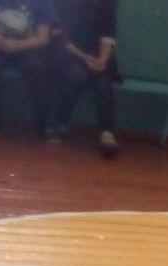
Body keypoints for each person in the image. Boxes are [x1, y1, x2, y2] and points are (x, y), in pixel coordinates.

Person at [0, 0, 56, 138]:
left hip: (27, 48)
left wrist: (19, 45)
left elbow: (43, 38)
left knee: (37, 66)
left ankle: (44, 123)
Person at [49, 0, 118, 158]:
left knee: (104, 82)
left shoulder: (107, 6)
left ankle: (107, 133)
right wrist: (84, 57)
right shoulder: (67, 4)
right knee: (76, 75)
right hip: (70, 55)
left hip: (97, 57)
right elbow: (63, 40)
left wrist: (102, 60)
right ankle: (60, 123)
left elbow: (108, 38)